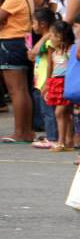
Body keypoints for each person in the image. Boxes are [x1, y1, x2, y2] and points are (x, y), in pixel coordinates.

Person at [0, 0, 35, 144]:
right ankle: (27, 130)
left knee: (15, 90)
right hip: (25, 41)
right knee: (23, 90)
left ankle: (18, 132)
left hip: (11, 42)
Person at [43, 20, 75, 152]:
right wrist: (47, 84)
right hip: (56, 83)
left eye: (52, 35)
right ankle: (68, 141)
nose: (50, 38)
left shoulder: (71, 50)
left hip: (66, 83)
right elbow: (51, 68)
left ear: (60, 37)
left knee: (60, 112)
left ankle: (61, 142)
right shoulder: (54, 51)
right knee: (65, 113)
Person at [29, 9, 58, 148]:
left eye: (33, 22)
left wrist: (48, 82)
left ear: (43, 24)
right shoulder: (46, 40)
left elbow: (50, 64)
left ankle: (52, 137)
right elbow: (34, 54)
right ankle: (50, 134)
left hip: (46, 81)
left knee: (48, 111)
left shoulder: (49, 41)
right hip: (40, 81)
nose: (32, 26)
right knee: (45, 110)